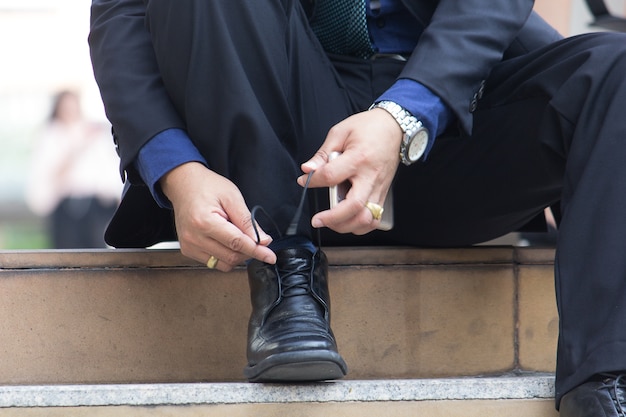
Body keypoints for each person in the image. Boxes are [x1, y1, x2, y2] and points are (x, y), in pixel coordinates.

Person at [88, 1, 626, 414]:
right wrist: (177, 171)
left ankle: (606, 378)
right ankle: (286, 280)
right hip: (272, 139)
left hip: (442, 114)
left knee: (613, 69)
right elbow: (125, 14)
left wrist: (401, 115)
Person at [26, 90, 121, 248]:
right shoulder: (49, 136)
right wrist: (78, 147)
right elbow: (48, 175)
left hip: (95, 205)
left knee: (97, 253)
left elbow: (107, 169)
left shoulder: (95, 132)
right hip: (64, 206)